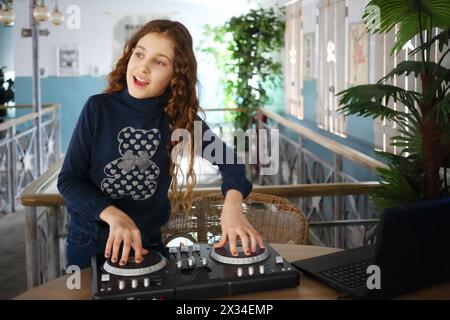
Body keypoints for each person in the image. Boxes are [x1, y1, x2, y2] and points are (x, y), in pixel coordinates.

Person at [57, 19, 264, 269]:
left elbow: (230, 163)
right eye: (139, 54)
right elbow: (69, 179)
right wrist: (114, 216)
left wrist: (232, 207)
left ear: (175, 75)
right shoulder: (97, 108)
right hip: (90, 241)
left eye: (159, 62)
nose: (142, 67)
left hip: (147, 244)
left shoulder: (179, 120)